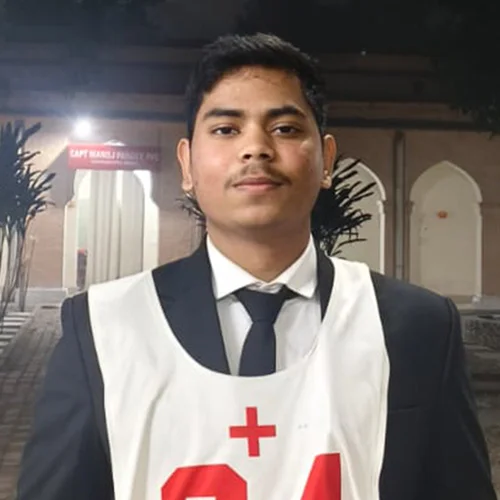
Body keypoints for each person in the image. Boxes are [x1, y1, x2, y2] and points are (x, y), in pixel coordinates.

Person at [17, 33, 497, 500]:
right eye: (226, 129)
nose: (256, 148)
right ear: (187, 165)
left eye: (285, 128)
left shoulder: (416, 326)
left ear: (327, 160)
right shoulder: (104, 327)